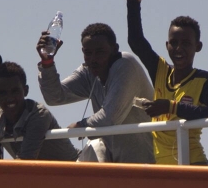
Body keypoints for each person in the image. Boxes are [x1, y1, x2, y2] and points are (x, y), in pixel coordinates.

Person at [125, 0, 208, 164]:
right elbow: (136, 40)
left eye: (186, 43)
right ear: (167, 45)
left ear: (198, 47)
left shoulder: (205, 80)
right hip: (160, 169)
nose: (179, 48)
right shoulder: (160, 70)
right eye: (174, 43)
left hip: (193, 165)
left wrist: (170, 106)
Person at [37, 21, 154, 163]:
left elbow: (110, 118)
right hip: (114, 166)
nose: (93, 59)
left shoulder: (126, 65)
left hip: (148, 163)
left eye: (100, 52)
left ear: (114, 49)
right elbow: (54, 97)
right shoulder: (88, 72)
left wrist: (81, 125)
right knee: (93, 146)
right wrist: (47, 63)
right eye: (88, 53)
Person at [0, 61, 75, 165]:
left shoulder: (39, 115)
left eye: (15, 91)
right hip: (40, 179)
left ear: (26, 90)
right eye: (2, 93)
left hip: (73, 172)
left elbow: (25, 161)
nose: (10, 98)